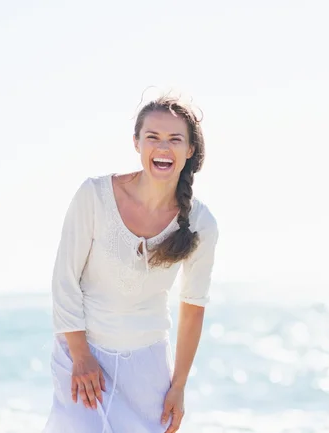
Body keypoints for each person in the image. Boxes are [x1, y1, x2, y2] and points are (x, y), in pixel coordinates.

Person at [43, 94, 219, 433]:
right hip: (83, 353)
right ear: (136, 143)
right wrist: (80, 355)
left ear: (190, 150)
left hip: (147, 366)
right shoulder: (94, 196)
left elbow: (194, 306)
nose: (162, 147)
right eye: (152, 137)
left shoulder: (200, 222)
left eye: (175, 139)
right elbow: (64, 280)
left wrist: (179, 385)